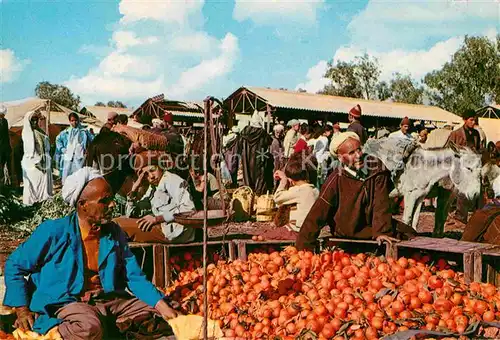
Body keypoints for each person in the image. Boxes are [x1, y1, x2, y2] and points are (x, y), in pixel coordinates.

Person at [3, 168, 179, 339]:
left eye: (111, 199)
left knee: (162, 312)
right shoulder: (53, 231)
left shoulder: (114, 232)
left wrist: (161, 306)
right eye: (104, 201)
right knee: (89, 327)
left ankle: (108, 327)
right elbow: (14, 266)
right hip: (67, 302)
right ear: (83, 205)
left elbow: (133, 277)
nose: (112, 205)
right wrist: (22, 310)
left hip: (107, 300)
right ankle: (55, 331)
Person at [296, 132, 416, 251]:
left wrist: (382, 232)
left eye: (359, 149)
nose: (358, 155)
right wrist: (304, 246)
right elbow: (319, 211)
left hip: (374, 224)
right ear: (340, 157)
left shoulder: (376, 168)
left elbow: (381, 203)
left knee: (410, 233)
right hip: (347, 229)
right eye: (351, 153)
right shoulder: (335, 179)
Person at [116, 151, 196, 244]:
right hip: (163, 228)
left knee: (117, 225)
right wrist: (133, 191)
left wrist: (157, 219)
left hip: (175, 232)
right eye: (146, 174)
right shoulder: (153, 188)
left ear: (160, 167)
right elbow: (131, 215)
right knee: (116, 222)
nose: (151, 176)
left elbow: (189, 210)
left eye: (152, 170)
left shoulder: (172, 180)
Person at [448, 109, 482, 223]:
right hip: (459, 167)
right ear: (465, 120)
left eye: (475, 120)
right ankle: (460, 216)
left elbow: (478, 149)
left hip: (472, 167)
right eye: (471, 120)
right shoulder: (455, 134)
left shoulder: (477, 134)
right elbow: (448, 150)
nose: (473, 122)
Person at [274, 153, 319, 232]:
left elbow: (277, 198)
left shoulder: (299, 191)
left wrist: (283, 181)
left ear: (291, 180)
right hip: (312, 229)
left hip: (298, 230)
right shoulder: (315, 190)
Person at [21, 111, 53, 206]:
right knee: (32, 185)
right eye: (32, 120)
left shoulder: (40, 132)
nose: (35, 122)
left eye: (36, 119)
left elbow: (46, 146)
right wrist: (37, 161)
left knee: (43, 184)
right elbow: (29, 150)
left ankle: (43, 202)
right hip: (32, 163)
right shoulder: (27, 133)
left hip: (43, 161)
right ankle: (31, 204)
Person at [237, 110, 273, 195]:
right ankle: (258, 196)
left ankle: (249, 197)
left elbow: (239, 145)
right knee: (260, 177)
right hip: (259, 158)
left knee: (247, 176)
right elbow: (269, 141)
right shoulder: (262, 133)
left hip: (247, 158)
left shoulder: (244, 132)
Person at [55, 112, 94, 184]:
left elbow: (93, 140)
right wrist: (62, 149)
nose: (74, 122)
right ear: (69, 121)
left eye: (76, 120)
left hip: (79, 156)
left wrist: (88, 149)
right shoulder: (66, 132)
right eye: (72, 121)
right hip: (68, 156)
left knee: (78, 175)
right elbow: (58, 139)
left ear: (78, 120)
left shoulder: (84, 131)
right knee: (66, 174)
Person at [0, 105, 12, 189]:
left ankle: (5, 183)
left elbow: (6, 135)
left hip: (5, 147)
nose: (2, 116)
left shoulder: (5, 121)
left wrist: (9, 147)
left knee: (5, 164)